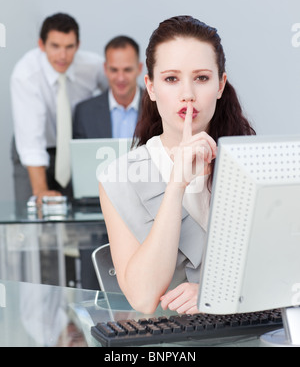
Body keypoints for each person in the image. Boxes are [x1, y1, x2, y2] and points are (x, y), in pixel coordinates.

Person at [98, 16, 255, 315]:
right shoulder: (118, 177)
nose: (188, 94)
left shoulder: (252, 164)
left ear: (220, 85)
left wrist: (216, 293)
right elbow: (143, 298)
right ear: (151, 87)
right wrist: (176, 185)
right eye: (171, 79)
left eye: (202, 78)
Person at [10, 13, 107, 203]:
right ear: (41, 45)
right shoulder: (26, 75)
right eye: (55, 46)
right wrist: (41, 193)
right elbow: (31, 142)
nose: (62, 56)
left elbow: (117, 94)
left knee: (78, 216)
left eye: (69, 47)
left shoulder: (92, 66)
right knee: (35, 216)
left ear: (78, 45)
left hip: (73, 150)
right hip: (34, 149)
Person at [73, 35, 143, 139]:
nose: (120, 78)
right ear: (105, 69)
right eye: (114, 70)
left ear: (139, 68)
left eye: (127, 70)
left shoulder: (159, 108)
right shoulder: (85, 113)